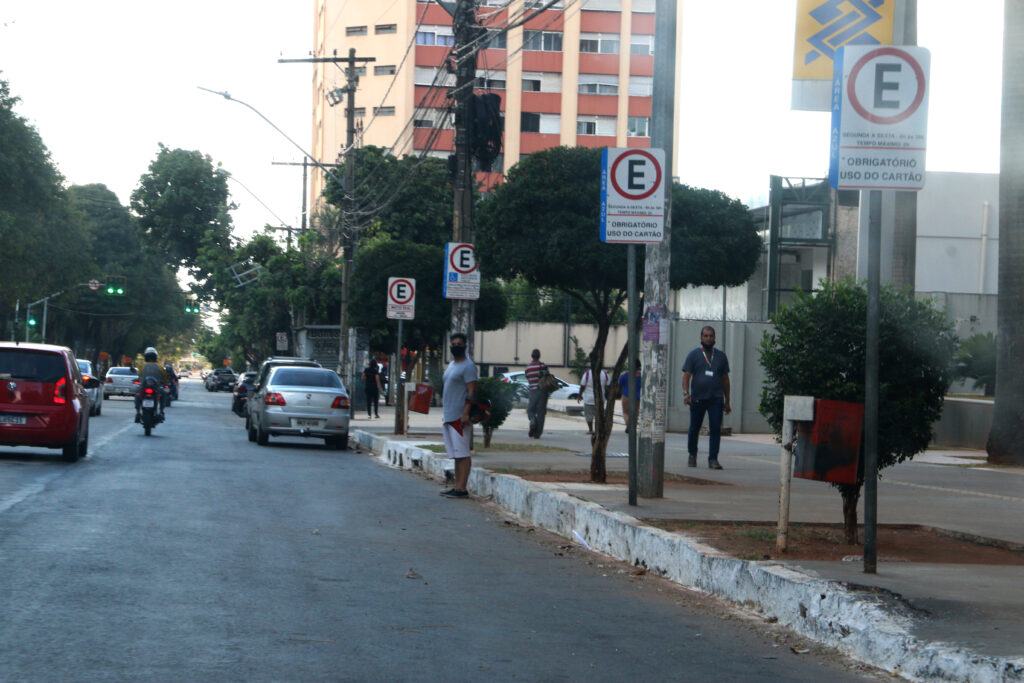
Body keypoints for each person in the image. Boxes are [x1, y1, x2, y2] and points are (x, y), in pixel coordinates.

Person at [682, 326, 731, 470]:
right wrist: (686, 394)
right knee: (694, 428)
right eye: (705, 336)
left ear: (714, 338)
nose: (708, 338)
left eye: (711, 336)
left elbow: (726, 380)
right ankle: (692, 455)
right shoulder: (694, 355)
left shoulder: (721, 356)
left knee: (715, 428)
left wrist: (727, 401)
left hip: (716, 399)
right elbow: (686, 376)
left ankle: (713, 459)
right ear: (701, 337)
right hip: (697, 398)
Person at [440, 333, 478, 499]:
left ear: (465, 346)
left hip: (460, 416)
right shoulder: (452, 365)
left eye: (459, 344)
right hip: (448, 415)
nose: (455, 346)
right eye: (453, 343)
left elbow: (472, 391)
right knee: (456, 454)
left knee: (463, 453)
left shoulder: (468, 366)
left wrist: (465, 413)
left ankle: (462, 488)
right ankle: (457, 486)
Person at [135, 346, 168, 423]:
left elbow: (140, 377)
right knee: (163, 394)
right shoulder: (160, 367)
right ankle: (162, 411)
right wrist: (165, 383)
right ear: (155, 357)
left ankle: (137, 413)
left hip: (143, 387)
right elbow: (165, 378)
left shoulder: (142, 367)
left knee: (137, 394)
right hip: (156, 388)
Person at [523, 349, 549, 439]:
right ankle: (537, 434)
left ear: (532, 356)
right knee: (541, 413)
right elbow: (547, 375)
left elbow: (527, 377)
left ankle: (533, 421)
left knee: (530, 410)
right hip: (543, 391)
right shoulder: (544, 366)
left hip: (533, 391)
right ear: (539, 356)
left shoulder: (528, 367)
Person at [577, 365, 610, 436]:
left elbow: (582, 386)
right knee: (599, 415)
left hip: (588, 399)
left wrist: (579, 395)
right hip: (601, 398)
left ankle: (591, 430)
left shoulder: (587, 374)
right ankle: (598, 429)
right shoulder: (605, 374)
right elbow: (608, 386)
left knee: (589, 415)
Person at [618, 362, 642, 433]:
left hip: (626, 395)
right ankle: (633, 426)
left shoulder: (624, 375)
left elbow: (619, 387)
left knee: (625, 412)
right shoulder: (641, 376)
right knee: (636, 412)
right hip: (637, 396)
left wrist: (617, 394)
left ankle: (629, 425)